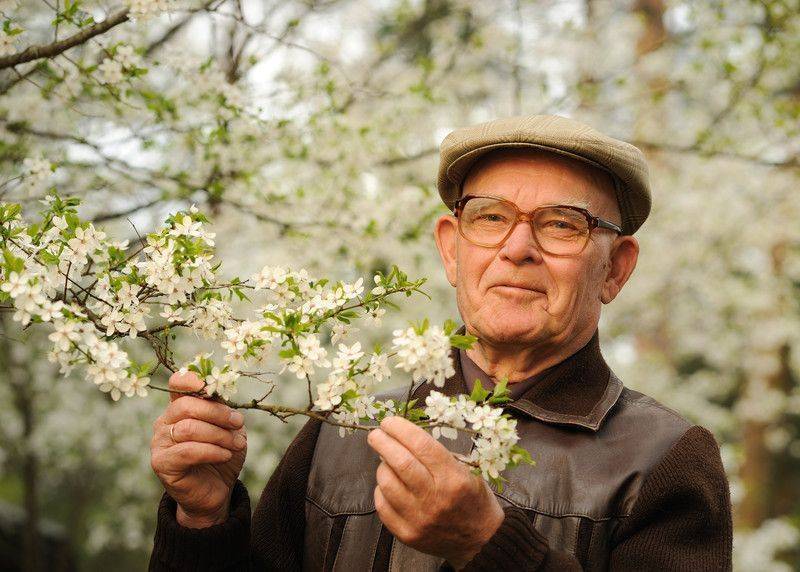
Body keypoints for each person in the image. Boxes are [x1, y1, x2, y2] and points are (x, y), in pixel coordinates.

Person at [148, 115, 733, 571]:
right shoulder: (344, 425)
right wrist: (204, 518)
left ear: (615, 269)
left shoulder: (665, 461)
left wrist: (488, 546)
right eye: (490, 217)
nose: (517, 248)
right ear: (451, 247)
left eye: (562, 223)